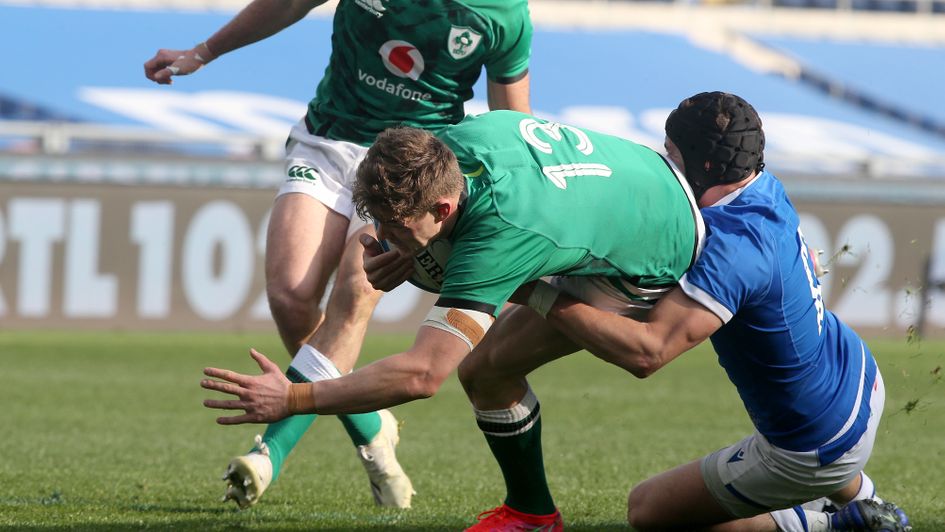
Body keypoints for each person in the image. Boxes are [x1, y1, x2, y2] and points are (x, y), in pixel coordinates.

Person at [200, 109, 705, 529]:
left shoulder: (500, 231)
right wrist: (409, 246)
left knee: (483, 370)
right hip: (647, 182)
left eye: (396, 227)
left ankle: (532, 518)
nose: (384, 237)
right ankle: (532, 512)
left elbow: (422, 374)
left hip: (648, 260)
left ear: (442, 210)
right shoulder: (443, 151)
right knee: (487, 364)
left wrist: (293, 397)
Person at [144, 0, 533, 510]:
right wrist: (204, 51)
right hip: (330, 140)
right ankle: (372, 423)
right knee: (290, 298)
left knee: (354, 292)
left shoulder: (502, 13)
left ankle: (269, 454)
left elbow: (513, 125)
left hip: (411, 165)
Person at [462, 92, 911, 531]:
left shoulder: (730, 246)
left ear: (704, 166)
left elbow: (647, 353)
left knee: (649, 512)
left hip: (812, 445)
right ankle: (863, 496)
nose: (664, 163)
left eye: (670, 154)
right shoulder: (760, 183)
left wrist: (538, 293)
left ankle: (833, 524)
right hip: (858, 376)